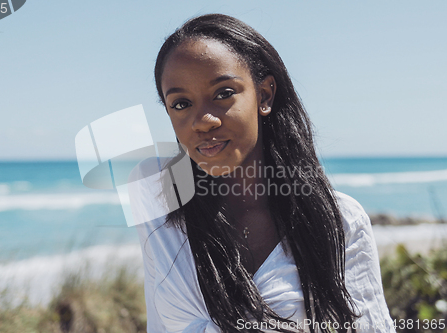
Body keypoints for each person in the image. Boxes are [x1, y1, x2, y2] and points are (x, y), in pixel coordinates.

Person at [135, 13, 395, 333]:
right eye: (180, 104)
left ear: (265, 95)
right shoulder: (156, 191)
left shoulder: (340, 222)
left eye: (223, 93)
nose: (202, 120)